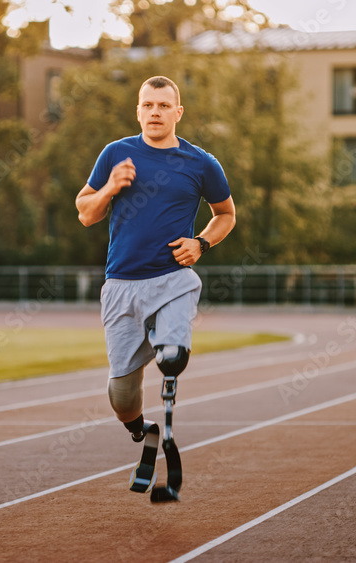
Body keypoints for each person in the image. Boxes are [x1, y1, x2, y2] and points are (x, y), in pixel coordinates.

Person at [75, 75, 236, 443]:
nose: (155, 112)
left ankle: (171, 349)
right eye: (148, 105)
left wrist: (202, 243)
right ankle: (141, 430)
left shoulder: (201, 163)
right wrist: (110, 188)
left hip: (172, 278)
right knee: (121, 396)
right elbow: (85, 213)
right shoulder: (115, 154)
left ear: (178, 112)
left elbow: (226, 214)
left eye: (164, 106)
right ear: (138, 111)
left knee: (172, 356)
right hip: (121, 284)